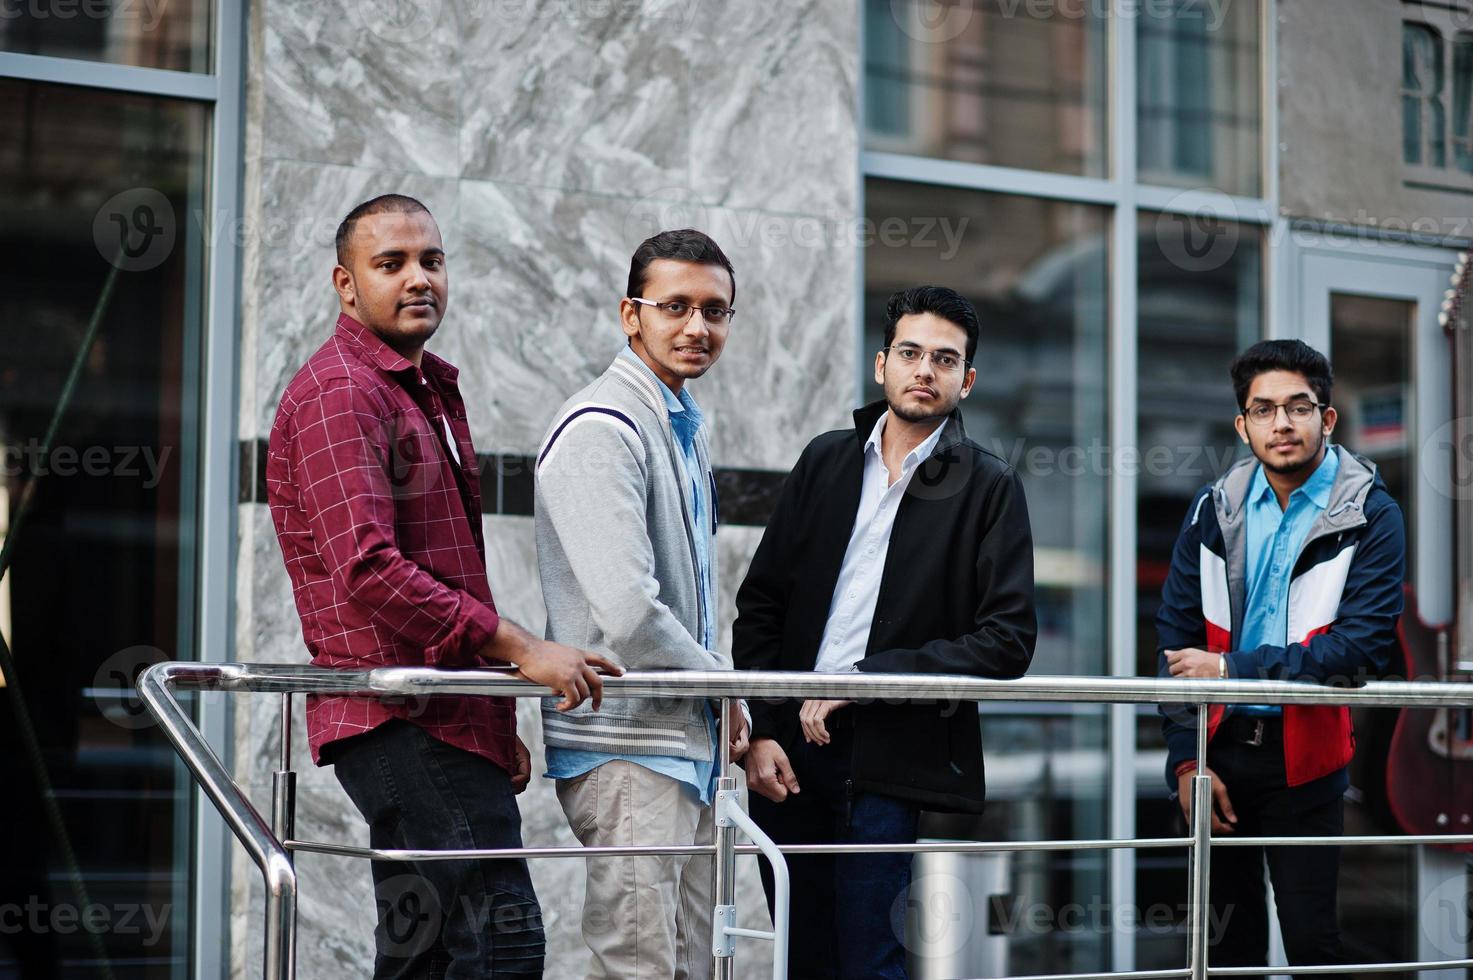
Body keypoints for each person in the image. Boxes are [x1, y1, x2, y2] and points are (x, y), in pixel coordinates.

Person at [266, 193, 616, 978]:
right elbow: (367, 566)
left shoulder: (414, 388)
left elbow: (434, 570)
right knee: (501, 943)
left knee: (424, 959)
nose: (417, 277)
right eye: (389, 263)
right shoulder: (342, 392)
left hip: (441, 716)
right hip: (397, 719)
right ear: (345, 284)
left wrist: (489, 719)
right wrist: (523, 649)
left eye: (431, 259)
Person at [733, 284, 1037, 979]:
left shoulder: (987, 486)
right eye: (909, 352)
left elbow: (1007, 639)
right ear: (880, 365)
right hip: (788, 758)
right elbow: (761, 607)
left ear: (967, 379)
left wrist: (866, 682)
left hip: (890, 757)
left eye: (943, 358)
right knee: (798, 957)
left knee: (869, 957)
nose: (923, 370)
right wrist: (765, 730)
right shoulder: (825, 461)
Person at [534, 229, 749, 980]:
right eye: (675, 306)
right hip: (629, 752)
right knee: (640, 968)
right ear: (631, 315)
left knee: (693, 966)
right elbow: (628, 610)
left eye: (715, 311)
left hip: (677, 751)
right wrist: (724, 691)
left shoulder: (677, 424)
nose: (698, 328)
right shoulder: (603, 428)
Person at [1157, 339, 1405, 976]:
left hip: (1308, 755)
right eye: (1263, 410)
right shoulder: (1213, 510)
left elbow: (1361, 648)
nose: (1281, 424)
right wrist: (1187, 761)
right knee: (1222, 953)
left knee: (1311, 944)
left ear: (1327, 418)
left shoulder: (1370, 514)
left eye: (1298, 407)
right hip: (1220, 752)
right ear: (1243, 426)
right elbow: (1175, 639)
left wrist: (1232, 669)